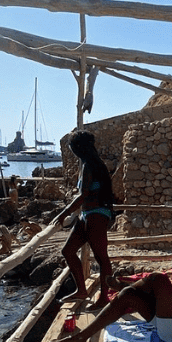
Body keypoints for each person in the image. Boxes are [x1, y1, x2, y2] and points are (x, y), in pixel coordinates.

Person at [55, 130, 119, 307]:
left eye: (72, 148)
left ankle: (105, 298)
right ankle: (81, 291)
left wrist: (64, 213)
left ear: (78, 148)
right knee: (68, 251)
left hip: (96, 214)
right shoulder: (90, 164)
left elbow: (83, 195)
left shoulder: (89, 166)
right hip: (87, 214)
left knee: (101, 257)